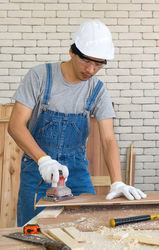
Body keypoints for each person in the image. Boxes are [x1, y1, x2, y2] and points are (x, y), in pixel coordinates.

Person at [8, 19, 147, 226]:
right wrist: (44, 161)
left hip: (77, 171)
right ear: (72, 52)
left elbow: (108, 140)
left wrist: (117, 181)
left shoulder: (97, 90)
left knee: (88, 227)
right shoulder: (39, 77)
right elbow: (15, 125)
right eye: (86, 61)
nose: (91, 70)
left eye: (98, 64)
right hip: (38, 171)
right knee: (33, 232)